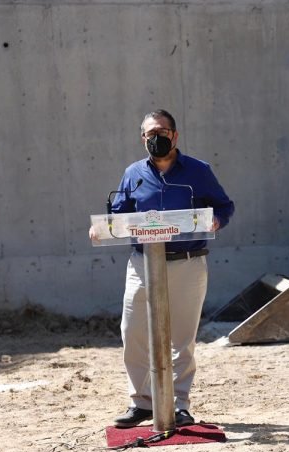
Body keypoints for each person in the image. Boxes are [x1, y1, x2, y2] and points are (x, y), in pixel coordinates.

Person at [91, 109, 234, 428]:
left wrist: (217, 220)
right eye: (149, 134)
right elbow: (119, 213)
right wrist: (103, 227)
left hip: (186, 263)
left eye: (161, 132)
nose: (155, 139)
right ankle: (142, 402)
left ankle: (179, 404)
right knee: (133, 331)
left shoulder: (199, 171)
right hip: (143, 264)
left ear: (175, 135)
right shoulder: (133, 173)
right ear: (142, 139)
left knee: (181, 338)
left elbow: (224, 205)